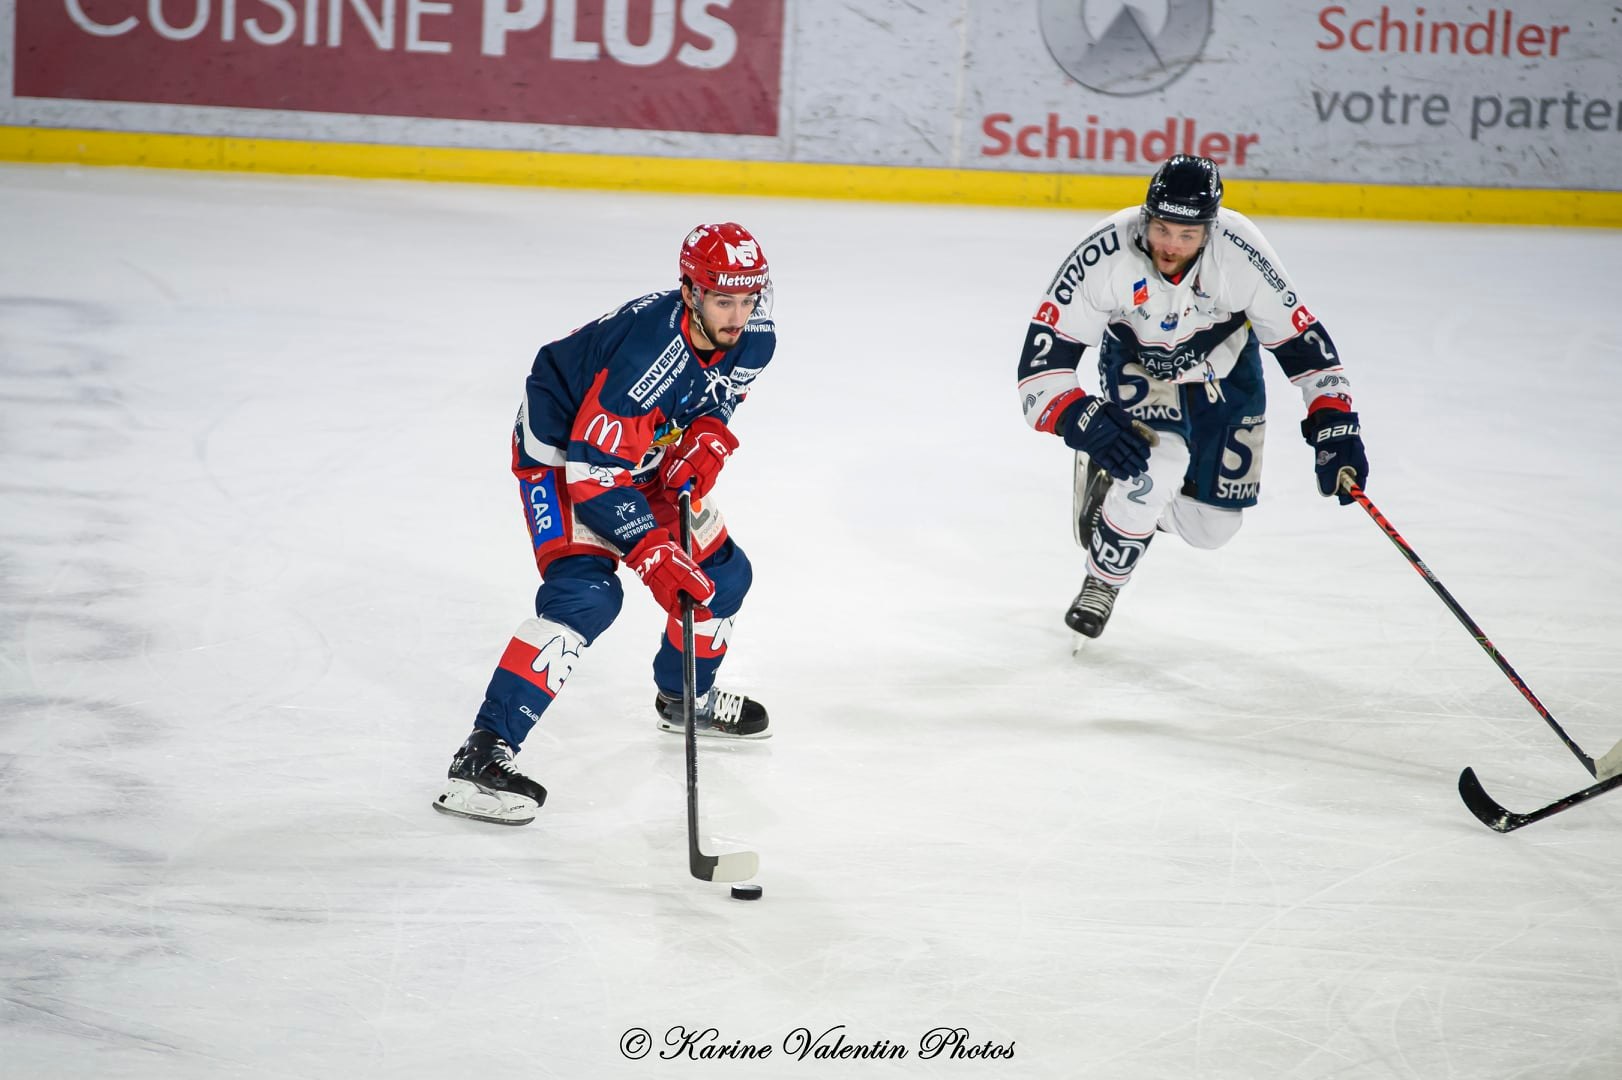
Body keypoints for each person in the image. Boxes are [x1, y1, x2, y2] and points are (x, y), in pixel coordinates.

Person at [434, 222, 776, 826]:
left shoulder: (755, 336)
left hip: (640, 446)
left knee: (723, 578)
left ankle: (683, 697)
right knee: (586, 595)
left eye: (748, 299)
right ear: (690, 292)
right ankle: (481, 757)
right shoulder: (644, 357)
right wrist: (649, 550)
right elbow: (592, 474)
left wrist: (709, 431)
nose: (738, 315)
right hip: (568, 454)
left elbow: (719, 393)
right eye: (724, 300)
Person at [1015, 155, 1369, 642]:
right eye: (1162, 229)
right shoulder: (1105, 253)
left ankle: (1120, 498)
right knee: (1160, 464)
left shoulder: (1242, 251)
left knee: (1213, 529)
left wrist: (1335, 424)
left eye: (1187, 235)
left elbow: (1304, 345)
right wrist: (1082, 419)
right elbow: (1038, 374)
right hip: (1138, 362)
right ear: (1146, 217)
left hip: (1225, 370)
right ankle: (1103, 580)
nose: (1171, 246)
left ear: (1210, 229)